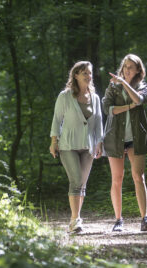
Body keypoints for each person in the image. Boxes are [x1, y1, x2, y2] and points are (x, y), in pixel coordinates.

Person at [102, 54, 147, 232]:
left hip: (136, 138)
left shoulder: (143, 86)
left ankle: (144, 218)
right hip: (114, 138)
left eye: (131, 67)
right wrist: (129, 107)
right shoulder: (112, 86)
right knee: (117, 179)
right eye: (125, 66)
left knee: (138, 177)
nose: (127, 70)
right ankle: (118, 220)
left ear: (139, 70)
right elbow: (107, 109)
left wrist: (124, 84)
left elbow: (139, 100)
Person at [50, 61, 103, 233]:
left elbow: (98, 122)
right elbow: (57, 120)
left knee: (82, 185)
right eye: (84, 73)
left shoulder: (94, 98)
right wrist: (53, 142)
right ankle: (75, 220)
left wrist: (99, 142)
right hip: (68, 145)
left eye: (90, 73)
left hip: (88, 146)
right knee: (76, 181)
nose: (88, 76)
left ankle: (76, 220)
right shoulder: (65, 96)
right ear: (75, 75)